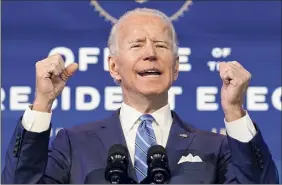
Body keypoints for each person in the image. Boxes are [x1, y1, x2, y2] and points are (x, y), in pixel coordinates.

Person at [2, 8, 279, 184]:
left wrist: (234, 111)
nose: (151, 53)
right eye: (137, 45)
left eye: (160, 45)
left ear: (176, 67)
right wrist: (42, 105)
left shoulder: (214, 148)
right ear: (114, 67)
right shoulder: (73, 144)